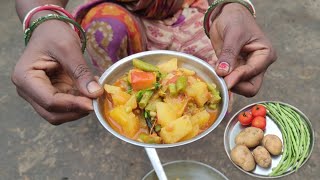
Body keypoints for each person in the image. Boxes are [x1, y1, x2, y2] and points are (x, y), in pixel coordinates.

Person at [12, 0, 277, 125]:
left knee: (220, 85)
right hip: (124, 13)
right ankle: (117, 95)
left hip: (193, 10)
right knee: (104, 29)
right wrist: (43, 19)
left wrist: (232, 6)